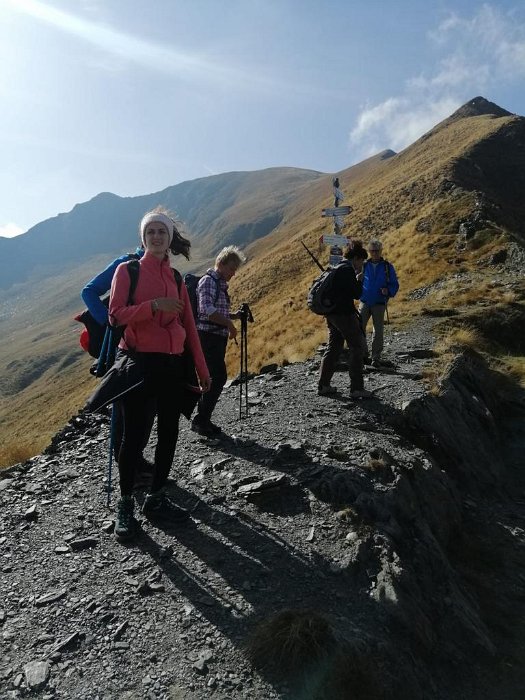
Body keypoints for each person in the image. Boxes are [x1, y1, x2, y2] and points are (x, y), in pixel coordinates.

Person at [109, 207, 211, 541]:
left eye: (161, 232)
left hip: (171, 365)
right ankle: (126, 506)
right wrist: (153, 307)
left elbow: (189, 327)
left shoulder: (177, 278)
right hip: (139, 364)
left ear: (169, 240)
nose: (156, 237)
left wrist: (201, 368)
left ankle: (155, 498)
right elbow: (115, 317)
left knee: (169, 432)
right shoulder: (129, 271)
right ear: (143, 237)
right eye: (150, 232)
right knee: (134, 438)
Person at [81, 246, 155, 478]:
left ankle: (136, 459)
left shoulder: (161, 267)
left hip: (148, 347)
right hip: (122, 348)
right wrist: (110, 322)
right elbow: (89, 291)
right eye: (151, 234)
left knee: (145, 407)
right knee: (126, 409)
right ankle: (128, 467)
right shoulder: (126, 264)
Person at [191, 246, 246, 437]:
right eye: (231, 268)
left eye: (234, 269)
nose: (233, 273)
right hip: (208, 338)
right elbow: (206, 310)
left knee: (214, 377)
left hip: (215, 337)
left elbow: (217, 311)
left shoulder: (219, 284)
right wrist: (230, 325)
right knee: (217, 377)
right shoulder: (208, 282)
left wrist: (234, 316)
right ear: (220, 264)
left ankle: (203, 419)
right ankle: (200, 420)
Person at [318, 241, 373, 399]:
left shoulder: (338, 267)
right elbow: (356, 294)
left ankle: (324, 385)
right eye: (361, 261)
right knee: (356, 346)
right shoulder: (347, 270)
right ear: (356, 258)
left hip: (332, 314)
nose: (361, 264)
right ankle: (356, 388)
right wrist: (360, 279)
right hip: (344, 315)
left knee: (334, 347)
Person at [358, 239, 399, 367]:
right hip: (364, 301)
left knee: (378, 331)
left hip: (379, 303)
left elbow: (394, 284)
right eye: (372, 251)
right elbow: (355, 281)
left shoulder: (387, 267)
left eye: (377, 251)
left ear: (381, 251)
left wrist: (388, 291)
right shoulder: (363, 265)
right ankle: (363, 355)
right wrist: (356, 278)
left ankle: (375, 357)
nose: (374, 253)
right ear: (369, 252)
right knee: (359, 329)